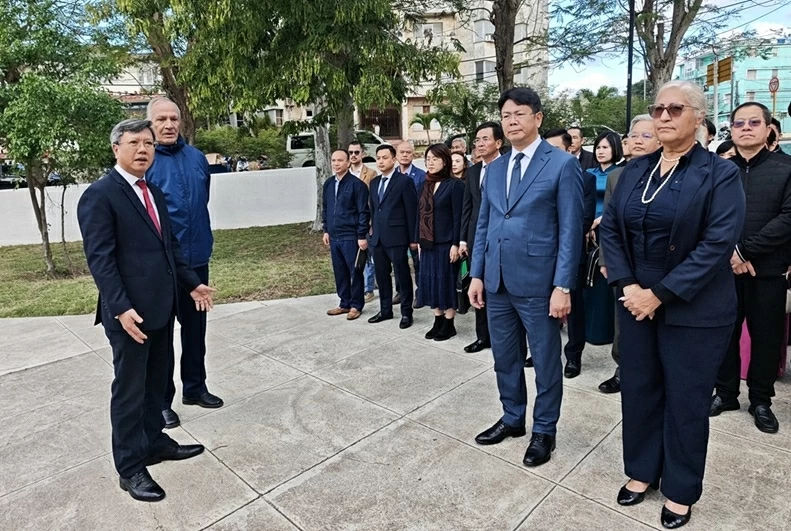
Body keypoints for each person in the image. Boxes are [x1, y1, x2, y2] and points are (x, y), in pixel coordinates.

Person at [600, 80, 745, 529]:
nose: (663, 116)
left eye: (675, 109)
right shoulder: (634, 170)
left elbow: (716, 244)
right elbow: (611, 230)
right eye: (658, 108)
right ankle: (642, 470)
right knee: (640, 390)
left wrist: (658, 294)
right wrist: (628, 285)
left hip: (693, 306)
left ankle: (681, 489)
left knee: (686, 400)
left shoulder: (720, 174)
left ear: (698, 117)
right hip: (635, 302)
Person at [77, 119, 216, 502]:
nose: (143, 150)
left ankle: (154, 442)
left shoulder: (151, 190)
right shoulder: (100, 195)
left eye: (149, 144)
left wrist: (191, 283)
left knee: (157, 382)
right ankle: (130, 467)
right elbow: (101, 260)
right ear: (116, 148)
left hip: (160, 308)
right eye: (134, 143)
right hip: (130, 317)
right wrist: (120, 307)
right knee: (130, 392)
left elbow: (170, 248)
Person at [469, 87, 583, 468]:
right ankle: (512, 417)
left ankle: (544, 430)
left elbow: (570, 230)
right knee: (505, 357)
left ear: (538, 117)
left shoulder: (561, 165)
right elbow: (485, 224)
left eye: (519, 113)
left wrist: (562, 285)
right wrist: (477, 274)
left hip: (540, 284)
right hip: (497, 281)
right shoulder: (495, 167)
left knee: (546, 362)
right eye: (506, 115)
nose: (512, 120)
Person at [711, 102, 791, 434]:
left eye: (754, 122)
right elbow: (707, 217)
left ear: (769, 129)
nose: (746, 128)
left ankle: (761, 400)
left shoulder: (786, 168)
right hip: (722, 271)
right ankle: (725, 393)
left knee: (766, 338)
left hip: (767, 270)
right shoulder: (719, 171)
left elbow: (788, 218)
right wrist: (729, 254)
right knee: (723, 335)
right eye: (739, 123)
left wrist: (744, 251)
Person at [145, 97, 223, 432]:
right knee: (161, 337)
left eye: (173, 118)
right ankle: (163, 402)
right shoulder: (145, 160)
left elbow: (202, 199)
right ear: (150, 124)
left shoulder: (196, 158)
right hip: (162, 266)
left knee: (195, 331)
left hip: (197, 260)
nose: (168, 125)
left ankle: (195, 388)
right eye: (161, 119)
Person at [598, 114, 661, 394]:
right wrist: (605, 260)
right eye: (633, 136)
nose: (637, 141)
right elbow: (608, 223)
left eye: (646, 136)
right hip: (623, 262)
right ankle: (623, 368)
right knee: (623, 319)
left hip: (659, 262)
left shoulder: (670, 172)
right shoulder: (616, 176)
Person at [367, 144, 418, 329]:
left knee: (402, 275)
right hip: (378, 238)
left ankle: (406, 313)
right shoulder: (374, 182)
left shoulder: (404, 182)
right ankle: (385, 310)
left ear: (394, 159)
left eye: (385, 157)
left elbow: (412, 212)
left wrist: (413, 238)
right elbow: (374, 209)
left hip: (397, 237)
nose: (381, 161)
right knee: (381, 276)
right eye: (378, 158)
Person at [419, 143, 465, 341]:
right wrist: (419, 241)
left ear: (445, 161)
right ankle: (437, 319)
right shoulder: (425, 184)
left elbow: (459, 217)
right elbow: (420, 215)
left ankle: (449, 322)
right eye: (428, 159)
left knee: (446, 281)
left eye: (435, 159)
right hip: (428, 242)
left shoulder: (455, 185)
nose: (430, 163)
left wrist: (456, 243)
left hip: (446, 243)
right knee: (431, 281)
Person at [322, 149, 370, 320]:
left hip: (351, 236)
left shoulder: (357, 185)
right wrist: (326, 230)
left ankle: (356, 305)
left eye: (340, 160)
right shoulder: (328, 184)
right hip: (334, 236)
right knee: (339, 271)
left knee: (355, 271)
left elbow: (363, 212)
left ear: (348, 162)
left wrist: (361, 235)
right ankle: (344, 303)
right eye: (333, 160)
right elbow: (326, 208)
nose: (336, 164)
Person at [396, 140, 426, 306]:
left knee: (418, 262)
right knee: (398, 262)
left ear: (413, 155)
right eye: (402, 152)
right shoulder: (392, 175)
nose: (405, 155)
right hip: (397, 227)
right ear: (396, 155)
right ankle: (401, 292)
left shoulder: (421, 176)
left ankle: (420, 293)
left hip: (415, 225)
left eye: (408, 152)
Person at [348, 141, 378, 303]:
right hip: (349, 223)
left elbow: (373, 201)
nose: (353, 155)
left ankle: (368, 289)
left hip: (366, 221)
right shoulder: (344, 174)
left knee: (367, 256)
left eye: (356, 152)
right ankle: (356, 288)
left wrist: (372, 223)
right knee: (353, 256)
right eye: (351, 152)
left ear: (362, 154)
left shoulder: (371, 174)